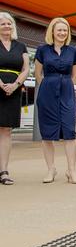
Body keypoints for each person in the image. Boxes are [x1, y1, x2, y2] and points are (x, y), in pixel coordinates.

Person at [35, 17, 76, 184]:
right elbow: (38, 74)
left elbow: (75, 75)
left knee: (69, 131)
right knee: (47, 132)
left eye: (65, 30)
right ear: (52, 32)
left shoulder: (74, 52)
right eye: (59, 30)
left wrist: (65, 87)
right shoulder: (42, 50)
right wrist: (49, 86)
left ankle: (71, 171)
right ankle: (51, 169)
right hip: (47, 92)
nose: (62, 33)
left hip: (67, 92)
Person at [0, 12, 29, 185]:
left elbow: (25, 69)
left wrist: (15, 85)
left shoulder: (21, 46)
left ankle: (3, 171)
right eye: (3, 24)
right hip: (1, 85)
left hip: (13, 89)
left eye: (9, 24)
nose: (7, 27)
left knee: (6, 130)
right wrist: (1, 83)